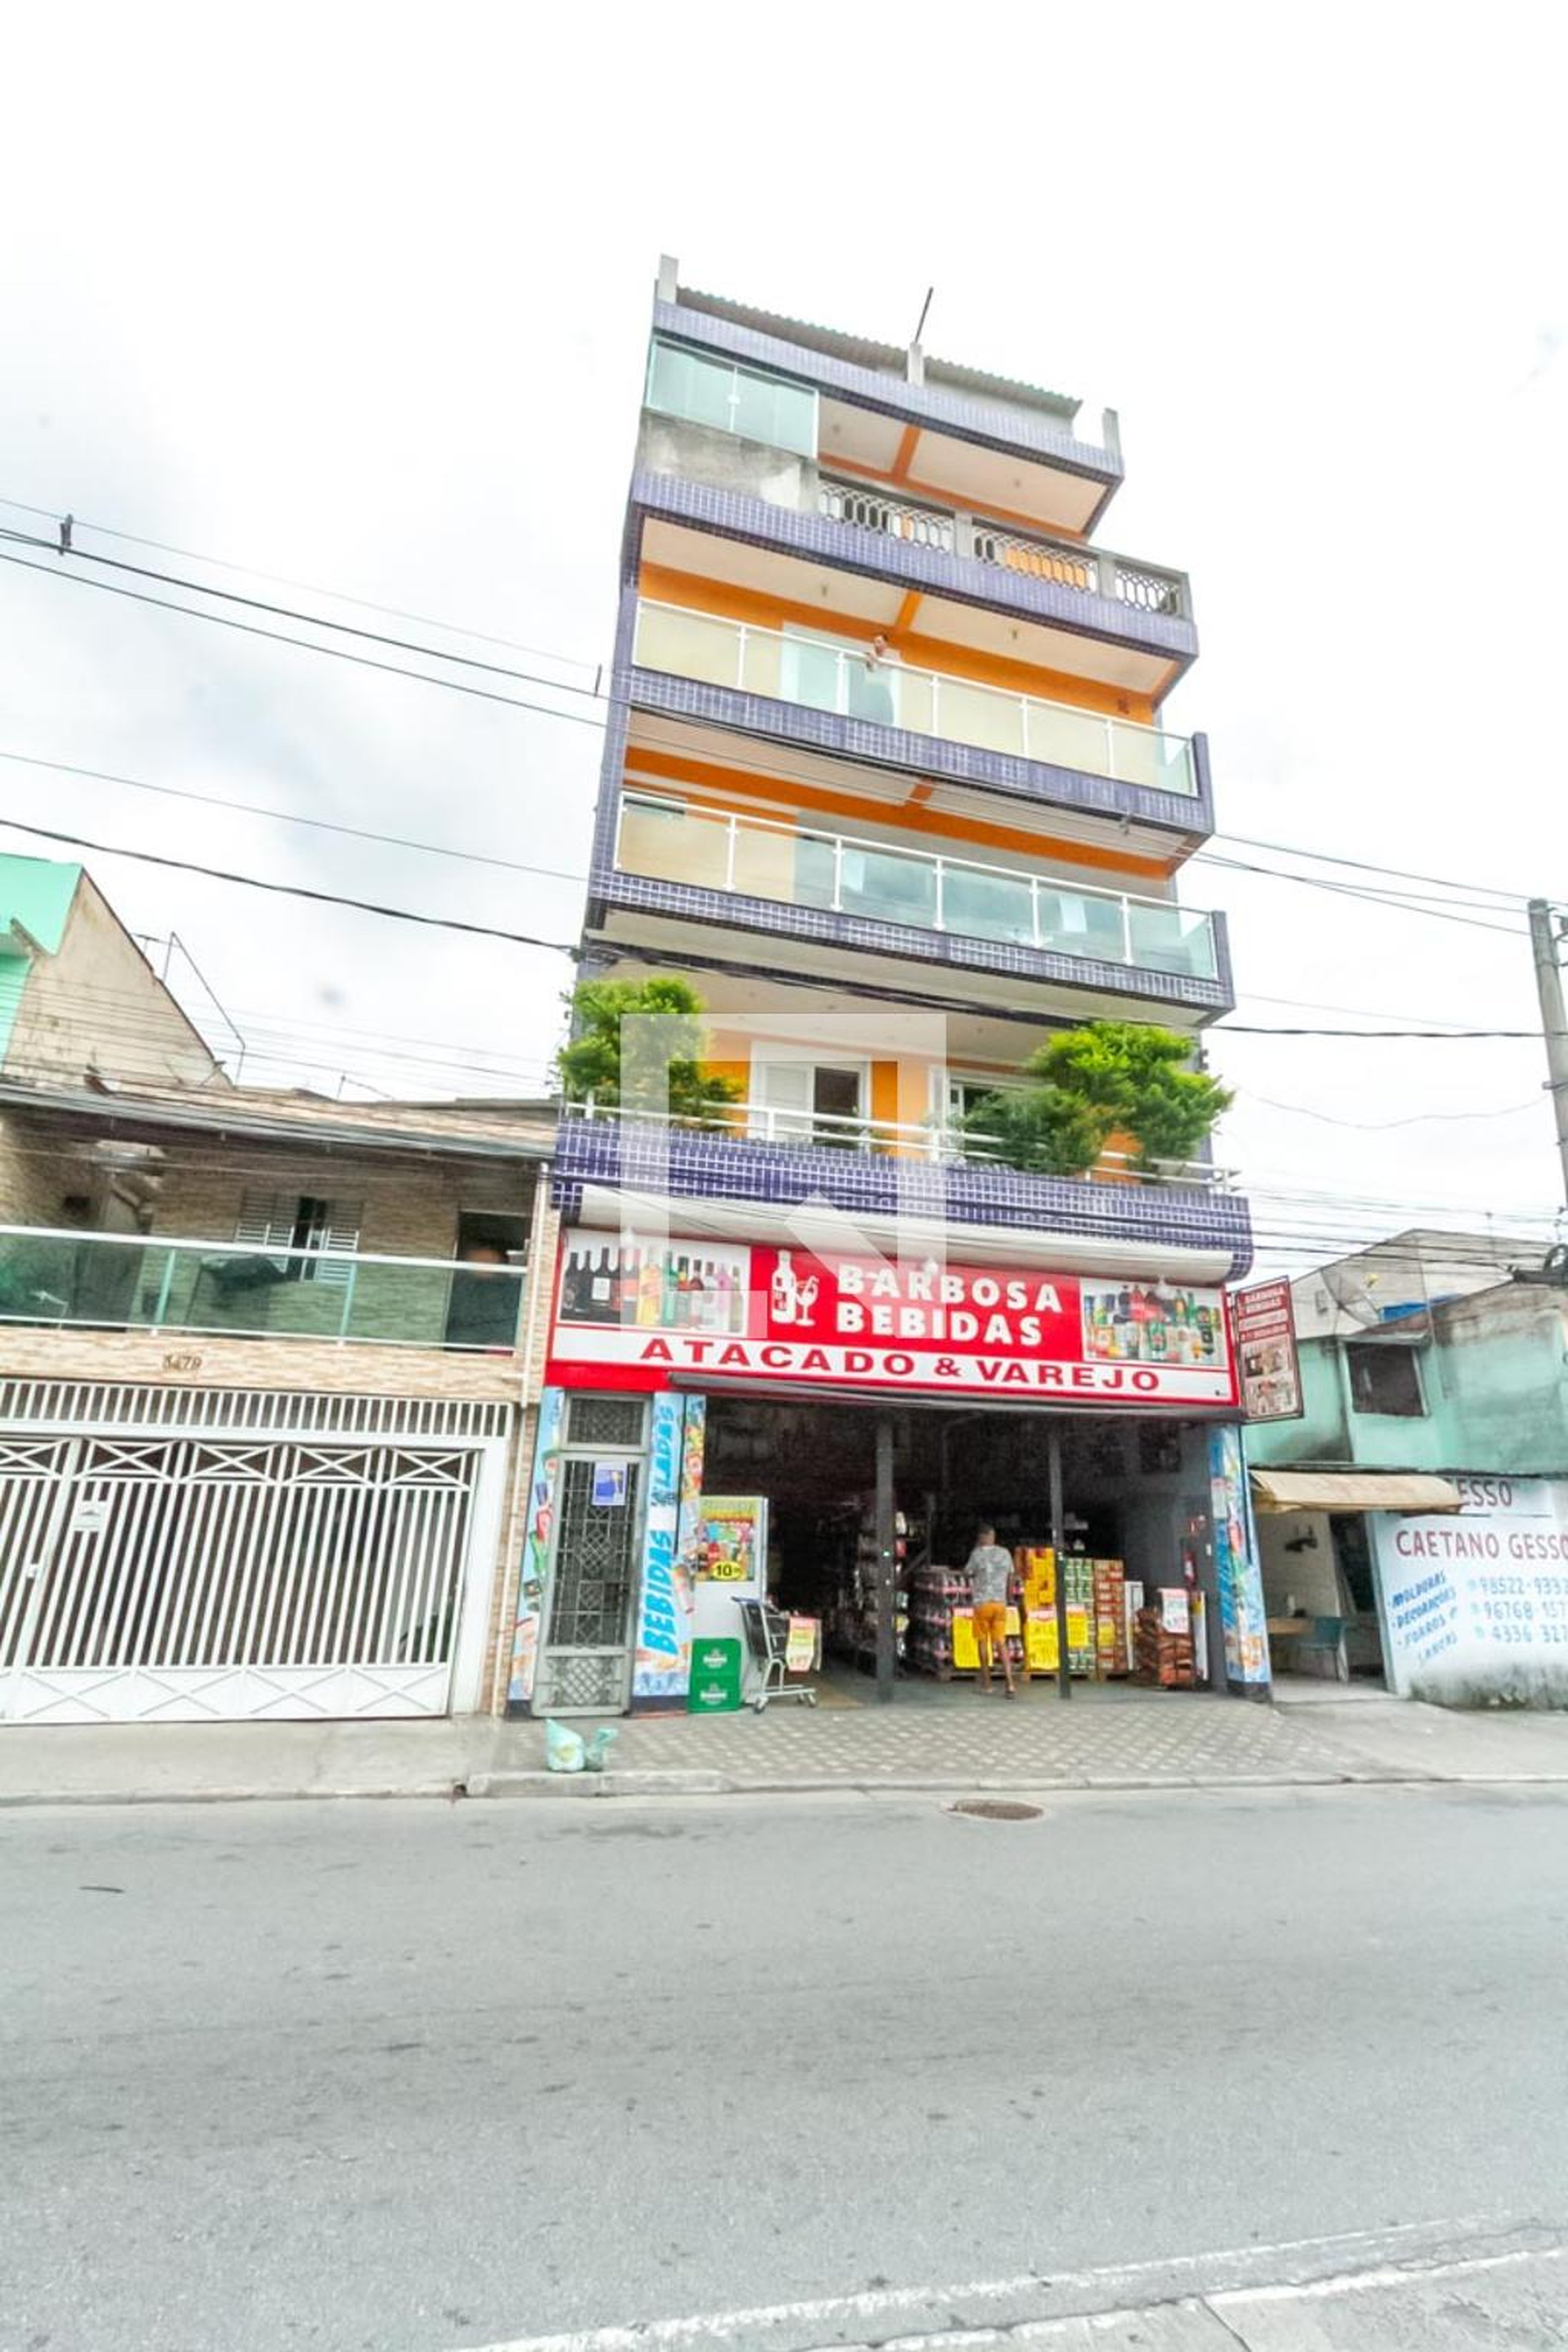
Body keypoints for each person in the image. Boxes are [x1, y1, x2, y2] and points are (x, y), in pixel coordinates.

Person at [964, 1523, 1016, 1696]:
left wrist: (976, 1550)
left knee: (982, 1642)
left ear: (981, 1537)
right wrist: (1009, 1597)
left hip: (982, 1604)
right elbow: (1011, 1576)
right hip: (1000, 1604)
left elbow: (968, 1573)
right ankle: (1010, 1685)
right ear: (993, 1536)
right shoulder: (1005, 1553)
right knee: (1001, 1643)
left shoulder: (977, 1555)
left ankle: (987, 1685)